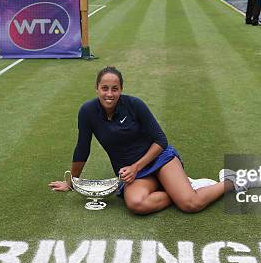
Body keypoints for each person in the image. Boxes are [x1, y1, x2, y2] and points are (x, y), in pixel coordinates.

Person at [48, 67, 244, 214]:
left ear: (121, 89)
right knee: (136, 204)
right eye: (104, 88)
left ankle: (230, 181)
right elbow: (82, 148)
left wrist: (135, 167)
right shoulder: (87, 111)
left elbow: (161, 140)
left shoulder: (134, 105)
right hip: (134, 174)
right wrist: (72, 182)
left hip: (159, 159)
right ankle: (180, 187)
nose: (109, 94)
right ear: (97, 88)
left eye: (114, 89)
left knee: (190, 204)